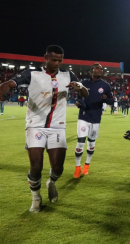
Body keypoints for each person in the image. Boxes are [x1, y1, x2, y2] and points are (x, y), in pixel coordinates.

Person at [0, 45, 89, 212]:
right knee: (36, 165)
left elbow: (85, 94)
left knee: (58, 168)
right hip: (35, 125)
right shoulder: (32, 73)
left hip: (57, 126)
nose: (57, 63)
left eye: (60, 60)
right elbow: (10, 83)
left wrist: (80, 87)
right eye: (53, 59)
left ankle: (52, 183)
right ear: (45, 58)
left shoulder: (68, 74)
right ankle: (36, 198)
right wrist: (2, 89)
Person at [73, 63, 113, 178]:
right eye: (97, 68)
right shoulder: (84, 83)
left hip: (96, 119)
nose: (100, 70)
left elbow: (112, 100)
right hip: (84, 117)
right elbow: (78, 97)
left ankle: (87, 165)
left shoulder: (105, 86)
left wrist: (106, 99)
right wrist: (78, 102)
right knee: (80, 143)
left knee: (91, 144)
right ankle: (77, 167)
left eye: (101, 69)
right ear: (91, 71)